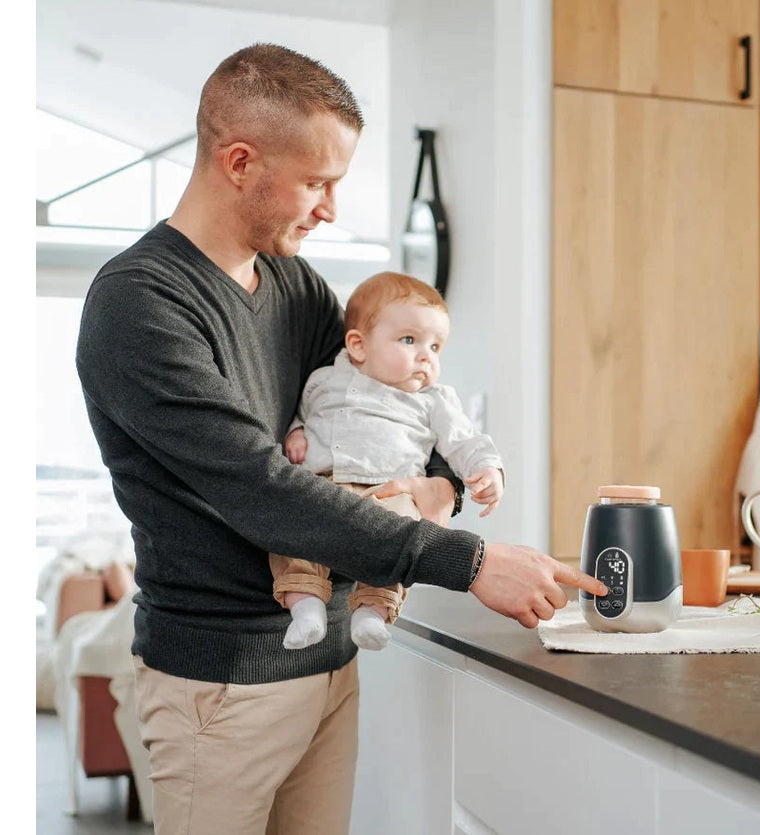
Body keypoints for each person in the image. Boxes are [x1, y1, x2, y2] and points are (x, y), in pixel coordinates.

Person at [75, 42, 607, 835]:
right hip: (220, 688)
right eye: (318, 181)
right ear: (240, 161)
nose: (329, 208)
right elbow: (259, 487)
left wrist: (444, 485)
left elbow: (398, 409)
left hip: (327, 665)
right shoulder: (140, 305)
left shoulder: (294, 285)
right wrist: (470, 558)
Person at [273, 271, 506, 652]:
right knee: (293, 528)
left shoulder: (434, 399)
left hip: (390, 490)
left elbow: (463, 438)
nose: (425, 357)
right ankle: (305, 604)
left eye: (435, 347)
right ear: (359, 346)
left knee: (401, 538)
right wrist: (296, 432)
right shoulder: (323, 380)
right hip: (323, 483)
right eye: (410, 340)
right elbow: (302, 413)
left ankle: (373, 610)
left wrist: (487, 468)